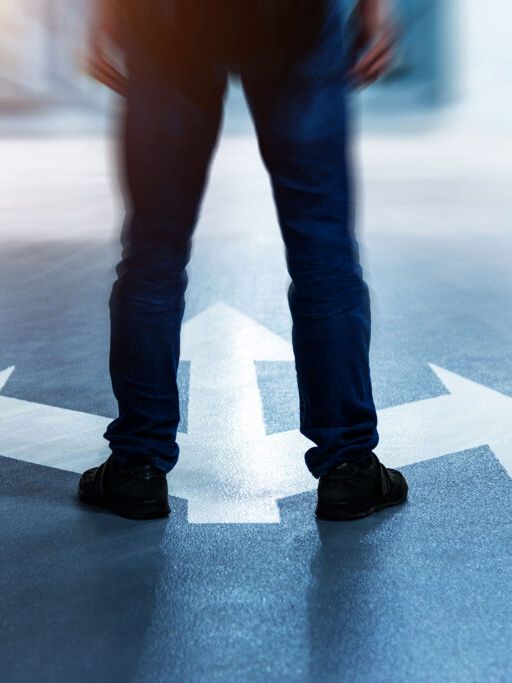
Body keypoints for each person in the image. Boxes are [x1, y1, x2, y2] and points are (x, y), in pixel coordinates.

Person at [77, 0, 407, 521]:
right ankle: (349, 466)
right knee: (322, 247)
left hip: (169, 24)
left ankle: (137, 466)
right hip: (290, 23)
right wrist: (373, 9)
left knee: (154, 253)